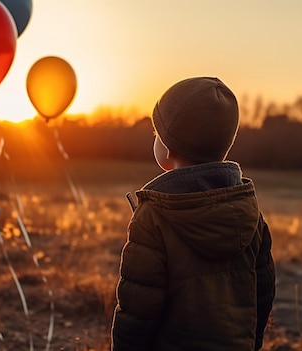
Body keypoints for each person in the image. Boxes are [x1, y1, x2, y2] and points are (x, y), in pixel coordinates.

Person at [111, 77, 275, 351]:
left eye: (156, 134)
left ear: (168, 148)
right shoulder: (249, 210)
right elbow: (264, 291)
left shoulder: (153, 217)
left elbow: (137, 310)